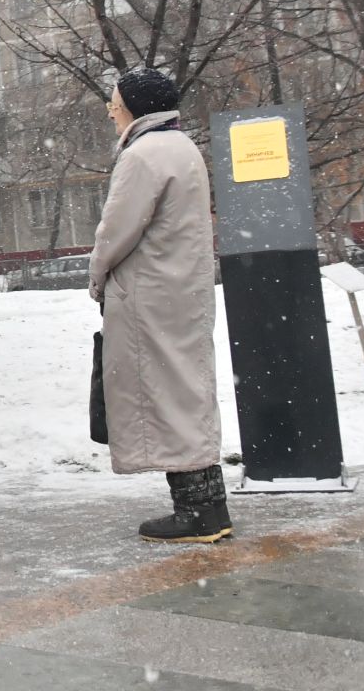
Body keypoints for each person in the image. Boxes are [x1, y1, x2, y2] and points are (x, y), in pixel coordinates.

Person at [88, 67, 229, 544]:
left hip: (149, 295)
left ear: (135, 105)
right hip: (182, 290)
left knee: (165, 396)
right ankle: (209, 504)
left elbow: (116, 230)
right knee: (186, 392)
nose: (110, 109)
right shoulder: (182, 147)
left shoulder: (143, 155)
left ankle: (196, 512)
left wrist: (97, 275)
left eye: (115, 100)